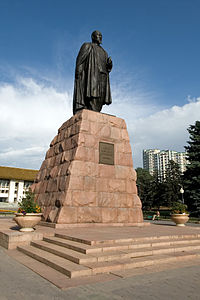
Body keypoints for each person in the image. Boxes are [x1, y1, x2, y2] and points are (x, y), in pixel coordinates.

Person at [73, 30, 112, 115]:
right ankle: (91, 109)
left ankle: (96, 111)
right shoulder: (87, 46)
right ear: (93, 37)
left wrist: (109, 65)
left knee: (101, 95)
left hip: (103, 75)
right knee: (93, 94)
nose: (100, 37)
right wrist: (78, 72)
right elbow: (80, 60)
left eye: (101, 36)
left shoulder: (104, 52)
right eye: (98, 35)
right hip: (93, 74)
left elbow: (107, 68)